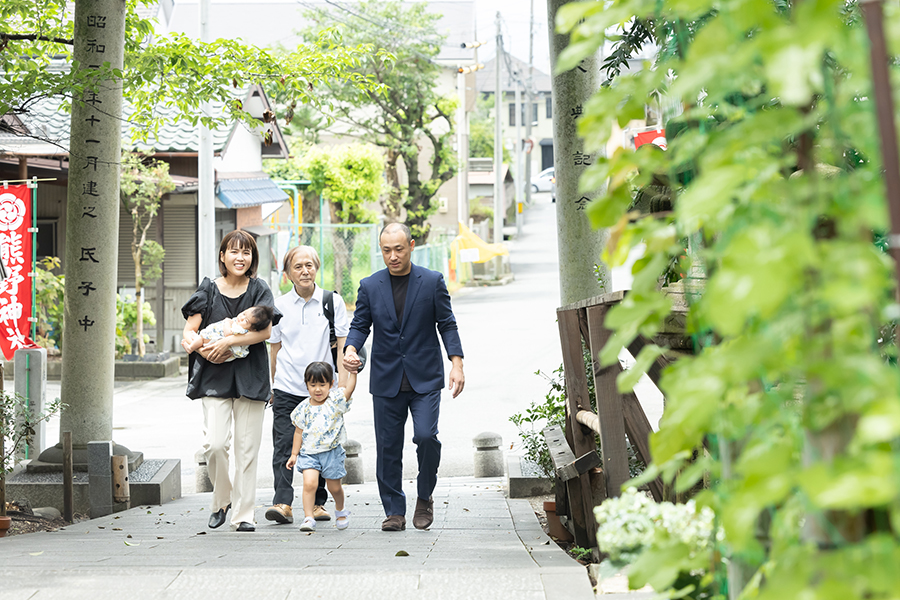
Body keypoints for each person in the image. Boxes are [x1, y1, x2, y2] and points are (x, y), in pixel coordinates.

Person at [343, 222, 465, 532]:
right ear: (380, 250)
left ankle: (424, 496)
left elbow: (447, 324)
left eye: (399, 249)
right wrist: (351, 348)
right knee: (388, 447)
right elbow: (360, 324)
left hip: (425, 377)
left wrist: (457, 363)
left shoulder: (432, 281)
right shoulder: (370, 285)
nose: (393, 256)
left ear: (411, 246)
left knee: (426, 437)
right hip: (386, 378)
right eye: (386, 250)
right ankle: (394, 510)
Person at [181, 230, 280, 532]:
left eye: (246, 252)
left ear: (253, 257)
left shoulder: (259, 289)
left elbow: (265, 333)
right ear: (222, 256)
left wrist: (226, 343)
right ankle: (221, 499)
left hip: (250, 376)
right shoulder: (209, 288)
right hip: (213, 375)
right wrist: (190, 341)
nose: (240, 257)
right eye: (234, 251)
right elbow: (190, 328)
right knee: (214, 444)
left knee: (246, 449)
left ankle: (243, 514)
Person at [266, 245, 349, 525]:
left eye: (309, 265)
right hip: (287, 387)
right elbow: (274, 347)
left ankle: (318, 505)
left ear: (316, 268)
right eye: (298, 266)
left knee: (322, 446)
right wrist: (273, 384)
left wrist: (341, 384)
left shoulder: (331, 301)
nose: (304, 270)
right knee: (283, 445)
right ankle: (283, 502)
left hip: (323, 390)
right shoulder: (278, 306)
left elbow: (340, 345)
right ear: (288, 273)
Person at [285, 361, 356, 532]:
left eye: (322, 384)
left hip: (331, 453)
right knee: (309, 484)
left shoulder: (335, 401)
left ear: (331, 384)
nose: (317, 389)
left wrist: (353, 372)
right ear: (307, 385)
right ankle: (309, 517)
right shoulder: (303, 408)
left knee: (334, 487)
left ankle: (340, 509)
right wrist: (294, 454)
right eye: (313, 385)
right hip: (309, 453)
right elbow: (298, 432)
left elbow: (349, 390)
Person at [181, 305, 275, 360]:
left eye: (246, 321)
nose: (241, 318)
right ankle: (194, 346)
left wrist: (227, 322)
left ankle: (190, 348)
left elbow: (228, 334)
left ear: (253, 329)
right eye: (243, 313)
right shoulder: (242, 327)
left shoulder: (241, 330)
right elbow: (189, 329)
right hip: (214, 349)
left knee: (199, 339)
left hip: (213, 344)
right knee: (198, 338)